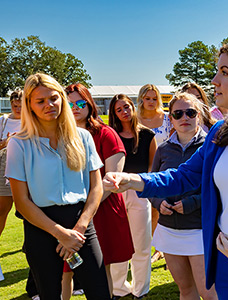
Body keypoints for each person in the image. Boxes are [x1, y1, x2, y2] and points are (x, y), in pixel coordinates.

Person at [103, 38, 228, 299]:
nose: (214, 80)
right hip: (226, 263)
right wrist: (134, 180)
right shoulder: (220, 132)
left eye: (225, 72)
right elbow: (184, 175)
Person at [5, 73, 110, 300]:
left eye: (53, 98)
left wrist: (79, 229)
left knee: (100, 292)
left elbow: (96, 187)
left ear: (62, 98)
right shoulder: (19, 144)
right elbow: (21, 201)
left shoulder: (82, 137)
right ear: (29, 106)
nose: (49, 105)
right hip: (40, 227)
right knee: (49, 295)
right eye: (40, 101)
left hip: (81, 226)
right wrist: (59, 233)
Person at [62, 83, 134, 299]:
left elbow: (112, 181)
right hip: (66, 211)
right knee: (64, 270)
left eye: (80, 102)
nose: (75, 108)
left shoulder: (105, 134)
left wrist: (86, 211)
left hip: (102, 209)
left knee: (102, 270)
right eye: (69, 103)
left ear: (90, 104)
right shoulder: (59, 136)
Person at [150, 92, 217, 300]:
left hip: (200, 229)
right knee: (186, 290)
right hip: (170, 229)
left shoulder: (212, 147)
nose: (184, 118)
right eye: (178, 114)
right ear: (170, 118)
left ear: (199, 115)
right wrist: (159, 203)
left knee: (208, 293)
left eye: (190, 112)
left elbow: (217, 188)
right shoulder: (163, 150)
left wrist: (191, 204)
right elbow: (153, 184)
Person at [109, 94, 157, 299]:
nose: (124, 112)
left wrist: (143, 189)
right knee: (119, 243)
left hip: (139, 190)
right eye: (119, 109)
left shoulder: (147, 135)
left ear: (133, 107)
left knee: (142, 243)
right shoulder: (112, 135)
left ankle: (140, 289)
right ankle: (119, 288)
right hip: (116, 192)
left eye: (126, 107)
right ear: (114, 113)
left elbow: (152, 166)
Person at [137, 84, 172, 263]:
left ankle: (161, 249)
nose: (151, 102)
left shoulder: (167, 118)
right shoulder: (135, 119)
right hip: (142, 169)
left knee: (160, 208)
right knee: (145, 211)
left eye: (154, 98)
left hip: (164, 169)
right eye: (147, 98)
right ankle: (149, 246)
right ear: (141, 99)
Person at [0, 89, 22, 237]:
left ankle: (29, 245)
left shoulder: (33, 120)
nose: (18, 109)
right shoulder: (4, 120)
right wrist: (6, 142)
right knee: (2, 210)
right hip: (4, 167)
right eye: (15, 106)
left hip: (25, 167)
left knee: (29, 211)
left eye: (21, 106)